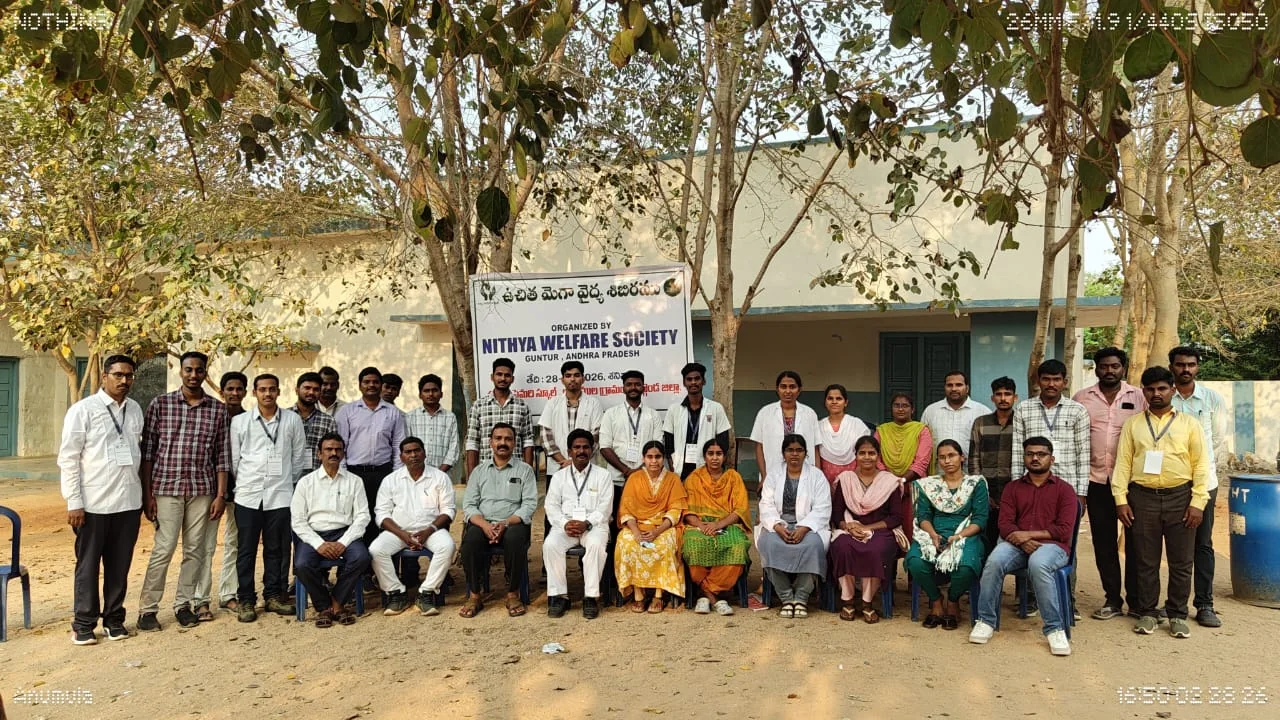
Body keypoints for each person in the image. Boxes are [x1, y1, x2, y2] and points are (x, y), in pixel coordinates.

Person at [1113, 366, 1211, 639]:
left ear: (1173, 390)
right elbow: (1122, 464)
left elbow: (1201, 466)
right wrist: (1121, 500)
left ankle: (1178, 614)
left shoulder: (1190, 424)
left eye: (1162, 389)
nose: (1156, 394)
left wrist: (1198, 502)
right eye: (1150, 389)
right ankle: (1147, 612)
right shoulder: (1133, 424)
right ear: (1143, 392)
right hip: (1142, 497)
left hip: (1181, 497)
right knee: (1145, 561)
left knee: (1181, 562)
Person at [137, 351, 230, 632]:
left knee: (195, 551)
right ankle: (148, 610)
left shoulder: (217, 409)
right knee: (163, 549)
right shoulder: (160, 405)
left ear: (205, 373)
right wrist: (147, 494)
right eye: (188, 369)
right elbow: (148, 453)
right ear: (180, 371)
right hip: (166, 488)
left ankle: (183, 605)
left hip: (203, 490)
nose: (193, 375)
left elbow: (222, 455)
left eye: (199, 370)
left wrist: (221, 495)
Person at [59, 355, 145, 645]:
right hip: (92, 504)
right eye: (118, 375)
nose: (124, 381)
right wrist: (74, 502)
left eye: (129, 376)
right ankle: (83, 623)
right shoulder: (83, 410)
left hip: (128, 502)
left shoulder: (134, 410)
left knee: (119, 565)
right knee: (88, 566)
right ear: (104, 376)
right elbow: (69, 458)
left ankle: (114, 619)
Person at [969, 436, 1078, 657]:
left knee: (1038, 564)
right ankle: (986, 620)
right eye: (1030, 454)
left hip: (1053, 547)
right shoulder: (1012, 488)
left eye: (1041, 454)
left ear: (1052, 458)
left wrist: (1027, 535)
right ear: (1024, 458)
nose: (1035, 458)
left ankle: (1054, 628)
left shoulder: (1065, 490)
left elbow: (1064, 530)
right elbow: (1005, 524)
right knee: (994, 561)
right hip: (1015, 544)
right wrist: (1023, 540)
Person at [1011, 359, 1090, 618]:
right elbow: (1016, 452)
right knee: (1030, 540)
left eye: (1057, 379)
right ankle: (1032, 600)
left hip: (1064, 490)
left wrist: (1081, 493)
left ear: (1064, 382)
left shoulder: (1078, 411)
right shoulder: (1023, 409)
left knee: (1065, 544)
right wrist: (1016, 487)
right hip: (1030, 486)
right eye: (1046, 379)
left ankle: (1068, 601)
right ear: (1038, 381)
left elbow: (1084, 453)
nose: (1051, 384)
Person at [1072, 347, 1145, 621]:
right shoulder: (1082, 398)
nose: (1109, 371)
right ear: (1096, 369)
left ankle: (1137, 601)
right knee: (1103, 543)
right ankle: (1113, 599)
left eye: (1114, 366)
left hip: (1131, 483)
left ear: (1123, 368)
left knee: (1136, 542)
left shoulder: (1139, 396)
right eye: (1104, 366)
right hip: (1096, 481)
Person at [229, 374, 308, 622]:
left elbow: (298, 458)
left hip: (281, 495)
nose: (267, 394)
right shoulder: (241, 422)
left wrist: (285, 481)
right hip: (248, 495)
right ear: (254, 392)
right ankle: (246, 600)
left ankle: (274, 596)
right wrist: (246, 481)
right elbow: (234, 460)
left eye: (272, 389)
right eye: (262, 389)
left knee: (277, 549)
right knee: (246, 551)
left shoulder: (292, 420)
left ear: (279, 392)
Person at [1168, 346, 1228, 628]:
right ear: (1172, 367)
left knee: (1202, 544)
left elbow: (1216, 441)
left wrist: (1199, 474)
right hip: (1171, 484)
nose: (1186, 369)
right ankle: (1164, 604)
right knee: (1170, 546)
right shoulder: (1164, 398)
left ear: (1198, 367)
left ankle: (1204, 604)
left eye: (1191, 365)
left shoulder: (1213, 399)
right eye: (1180, 365)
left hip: (1204, 484)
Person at [905, 440, 989, 630]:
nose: (947, 461)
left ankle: (952, 600)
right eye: (942, 457)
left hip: (967, 534)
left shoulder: (975, 484)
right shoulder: (929, 485)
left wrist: (959, 536)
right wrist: (933, 535)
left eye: (951, 455)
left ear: (962, 457)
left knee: (967, 565)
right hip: (934, 533)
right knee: (915, 561)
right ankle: (936, 601)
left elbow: (980, 519)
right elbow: (923, 516)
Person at [291, 433, 371, 628]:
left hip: (345, 533)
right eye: (328, 449)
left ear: (343, 454)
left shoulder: (354, 481)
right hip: (314, 534)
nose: (333, 453)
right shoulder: (306, 482)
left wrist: (343, 542)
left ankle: (336, 602)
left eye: (338, 449)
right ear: (319, 454)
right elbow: (298, 520)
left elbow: (363, 516)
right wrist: (319, 544)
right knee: (301, 564)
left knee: (362, 558)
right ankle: (324, 606)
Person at [459, 423, 538, 618]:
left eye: (508, 439)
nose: (503, 443)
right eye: (498, 438)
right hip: (483, 522)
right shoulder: (479, 471)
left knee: (515, 539)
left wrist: (504, 523)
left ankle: (513, 593)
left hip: (512, 524)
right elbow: (469, 506)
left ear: (514, 443)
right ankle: (475, 595)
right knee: (470, 542)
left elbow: (528, 505)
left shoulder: (525, 471)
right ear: (490, 442)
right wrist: (485, 525)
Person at [370, 437, 456, 617]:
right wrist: (403, 535)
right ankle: (396, 593)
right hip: (399, 531)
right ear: (401, 457)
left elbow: (448, 510)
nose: (413, 455)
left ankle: (426, 592)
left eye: (417, 450)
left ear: (424, 453)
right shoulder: (390, 480)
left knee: (447, 546)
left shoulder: (440, 477)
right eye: (408, 452)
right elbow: (382, 514)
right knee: (375, 550)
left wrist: (428, 531)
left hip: (431, 530)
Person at [829, 436, 905, 624]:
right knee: (842, 546)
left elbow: (895, 517)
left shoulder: (889, 482)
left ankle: (867, 602)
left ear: (878, 456)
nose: (867, 457)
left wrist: (866, 528)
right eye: (862, 453)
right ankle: (847, 600)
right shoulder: (846, 480)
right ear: (856, 455)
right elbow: (837, 514)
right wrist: (848, 527)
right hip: (850, 528)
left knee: (875, 549)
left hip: (881, 530)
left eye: (871, 453)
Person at [756, 434, 831, 618]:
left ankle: (802, 597)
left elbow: (823, 507)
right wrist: (777, 526)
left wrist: (804, 528)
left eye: (799, 450)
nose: (794, 454)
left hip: (808, 526)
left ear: (806, 453)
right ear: (783, 453)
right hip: (778, 525)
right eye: (790, 450)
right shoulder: (774, 474)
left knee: (813, 546)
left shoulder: (816, 476)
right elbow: (766, 504)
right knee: (769, 545)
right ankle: (786, 597)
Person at [192, 371, 246, 618]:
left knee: (234, 543)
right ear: (222, 391)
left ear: (245, 392)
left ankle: (228, 594)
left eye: (239, 389)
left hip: (241, 492)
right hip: (209, 492)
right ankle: (200, 598)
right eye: (230, 389)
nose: (234, 393)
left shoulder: (250, 420)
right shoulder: (211, 415)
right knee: (205, 545)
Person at [334, 366, 407, 551]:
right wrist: (343, 474)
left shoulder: (393, 413)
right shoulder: (347, 412)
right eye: (367, 382)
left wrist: (396, 477)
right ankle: (357, 569)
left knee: (381, 519)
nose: (371, 385)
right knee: (355, 518)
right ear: (360, 385)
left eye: (375, 382)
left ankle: (379, 568)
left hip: (383, 473)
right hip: (354, 473)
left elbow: (398, 445)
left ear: (381, 385)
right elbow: (340, 445)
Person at [544, 430, 613, 619]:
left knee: (596, 545)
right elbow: (551, 506)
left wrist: (587, 523)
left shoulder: (603, 475)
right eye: (577, 447)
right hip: (565, 526)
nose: (581, 451)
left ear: (592, 450)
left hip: (593, 526)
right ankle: (560, 596)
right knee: (550, 545)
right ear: (569, 451)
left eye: (585, 447)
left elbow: (605, 508)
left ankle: (591, 597)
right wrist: (565, 524)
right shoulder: (559, 477)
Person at [615, 440, 688, 613]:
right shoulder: (634, 478)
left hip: (663, 527)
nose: (653, 461)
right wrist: (636, 532)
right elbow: (626, 510)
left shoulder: (673, 479)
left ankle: (658, 595)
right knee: (626, 544)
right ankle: (638, 595)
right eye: (649, 457)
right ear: (643, 458)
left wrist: (657, 531)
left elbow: (676, 511)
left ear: (664, 459)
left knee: (663, 546)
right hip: (637, 526)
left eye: (658, 457)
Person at [682, 438, 751, 616]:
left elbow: (740, 509)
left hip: (726, 524)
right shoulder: (694, 478)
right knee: (693, 545)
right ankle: (716, 600)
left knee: (737, 546)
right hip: (699, 525)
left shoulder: (733, 478)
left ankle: (706, 594)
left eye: (718, 454)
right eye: (710, 454)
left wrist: (718, 524)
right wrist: (701, 525)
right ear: (704, 456)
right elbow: (686, 510)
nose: (714, 458)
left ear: (724, 456)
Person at [599, 370, 664, 522]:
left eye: (637, 384)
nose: (633, 387)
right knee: (616, 520)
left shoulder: (653, 415)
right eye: (629, 384)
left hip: (646, 479)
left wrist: (639, 471)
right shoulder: (610, 414)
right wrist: (626, 470)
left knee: (643, 519)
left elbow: (658, 446)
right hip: (617, 479)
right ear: (623, 388)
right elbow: (604, 447)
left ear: (643, 387)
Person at [969, 377, 1018, 560]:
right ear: (992, 398)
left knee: (1013, 540)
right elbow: (973, 460)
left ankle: (1023, 588)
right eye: (999, 394)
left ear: (1015, 397)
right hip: (986, 493)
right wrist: (982, 493)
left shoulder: (1021, 422)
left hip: (1014, 493)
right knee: (985, 540)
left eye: (1008, 394)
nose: (1003, 398)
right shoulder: (981, 423)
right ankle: (985, 587)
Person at [464, 358, 535, 477]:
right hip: (486, 471)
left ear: (512, 379)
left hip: (515, 472)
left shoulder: (522, 406)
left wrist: (528, 474)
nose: (503, 378)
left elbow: (527, 443)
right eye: (499, 374)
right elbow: (472, 443)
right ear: (492, 377)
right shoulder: (478, 406)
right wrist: (472, 478)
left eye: (507, 375)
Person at [663, 362, 731, 479]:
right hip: (680, 470)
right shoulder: (674, 409)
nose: (693, 382)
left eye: (697, 378)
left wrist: (716, 469)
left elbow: (723, 442)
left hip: (707, 470)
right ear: (684, 383)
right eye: (689, 379)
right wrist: (672, 467)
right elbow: (668, 443)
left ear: (703, 381)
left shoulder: (716, 408)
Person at [749, 371, 820, 480]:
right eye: (783, 387)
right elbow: (759, 446)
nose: (788, 391)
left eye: (792, 387)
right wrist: (764, 476)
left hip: (805, 473)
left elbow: (815, 447)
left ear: (799, 390)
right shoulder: (765, 413)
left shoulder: (810, 414)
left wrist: (817, 475)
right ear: (777, 389)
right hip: (772, 473)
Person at [539, 361, 604, 477]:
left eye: (576, 375)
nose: (572, 379)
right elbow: (545, 437)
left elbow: (597, 436)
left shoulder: (594, 404)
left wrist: (575, 462)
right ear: (562, 380)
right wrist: (565, 462)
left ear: (583, 379)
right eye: (568, 376)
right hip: (558, 466)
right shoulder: (552, 403)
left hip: (585, 466)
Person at [920, 371, 990, 454]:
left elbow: (990, 444)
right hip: (938, 466)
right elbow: (923, 443)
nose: (954, 389)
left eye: (959, 385)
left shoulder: (982, 412)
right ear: (944, 388)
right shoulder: (931, 411)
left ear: (967, 388)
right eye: (949, 385)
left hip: (970, 466)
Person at [815, 384, 871, 486]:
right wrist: (819, 480)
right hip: (825, 481)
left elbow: (863, 452)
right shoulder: (818, 426)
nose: (834, 401)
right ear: (825, 402)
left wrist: (857, 478)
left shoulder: (857, 425)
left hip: (854, 479)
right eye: (830, 398)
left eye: (839, 398)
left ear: (845, 403)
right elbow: (816, 454)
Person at [404, 374, 460, 474]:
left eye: (434, 390)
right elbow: (407, 447)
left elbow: (453, 448)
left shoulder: (450, 417)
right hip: (416, 475)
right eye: (426, 391)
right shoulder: (410, 417)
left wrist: (439, 474)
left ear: (441, 394)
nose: (430, 394)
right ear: (420, 395)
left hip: (443, 475)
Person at [874, 393, 933, 483]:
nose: (900, 409)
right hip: (885, 484)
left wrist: (903, 480)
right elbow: (875, 458)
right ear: (892, 409)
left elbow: (921, 461)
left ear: (912, 410)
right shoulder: (881, 431)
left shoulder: (921, 430)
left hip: (915, 482)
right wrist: (887, 478)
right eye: (896, 405)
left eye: (905, 406)